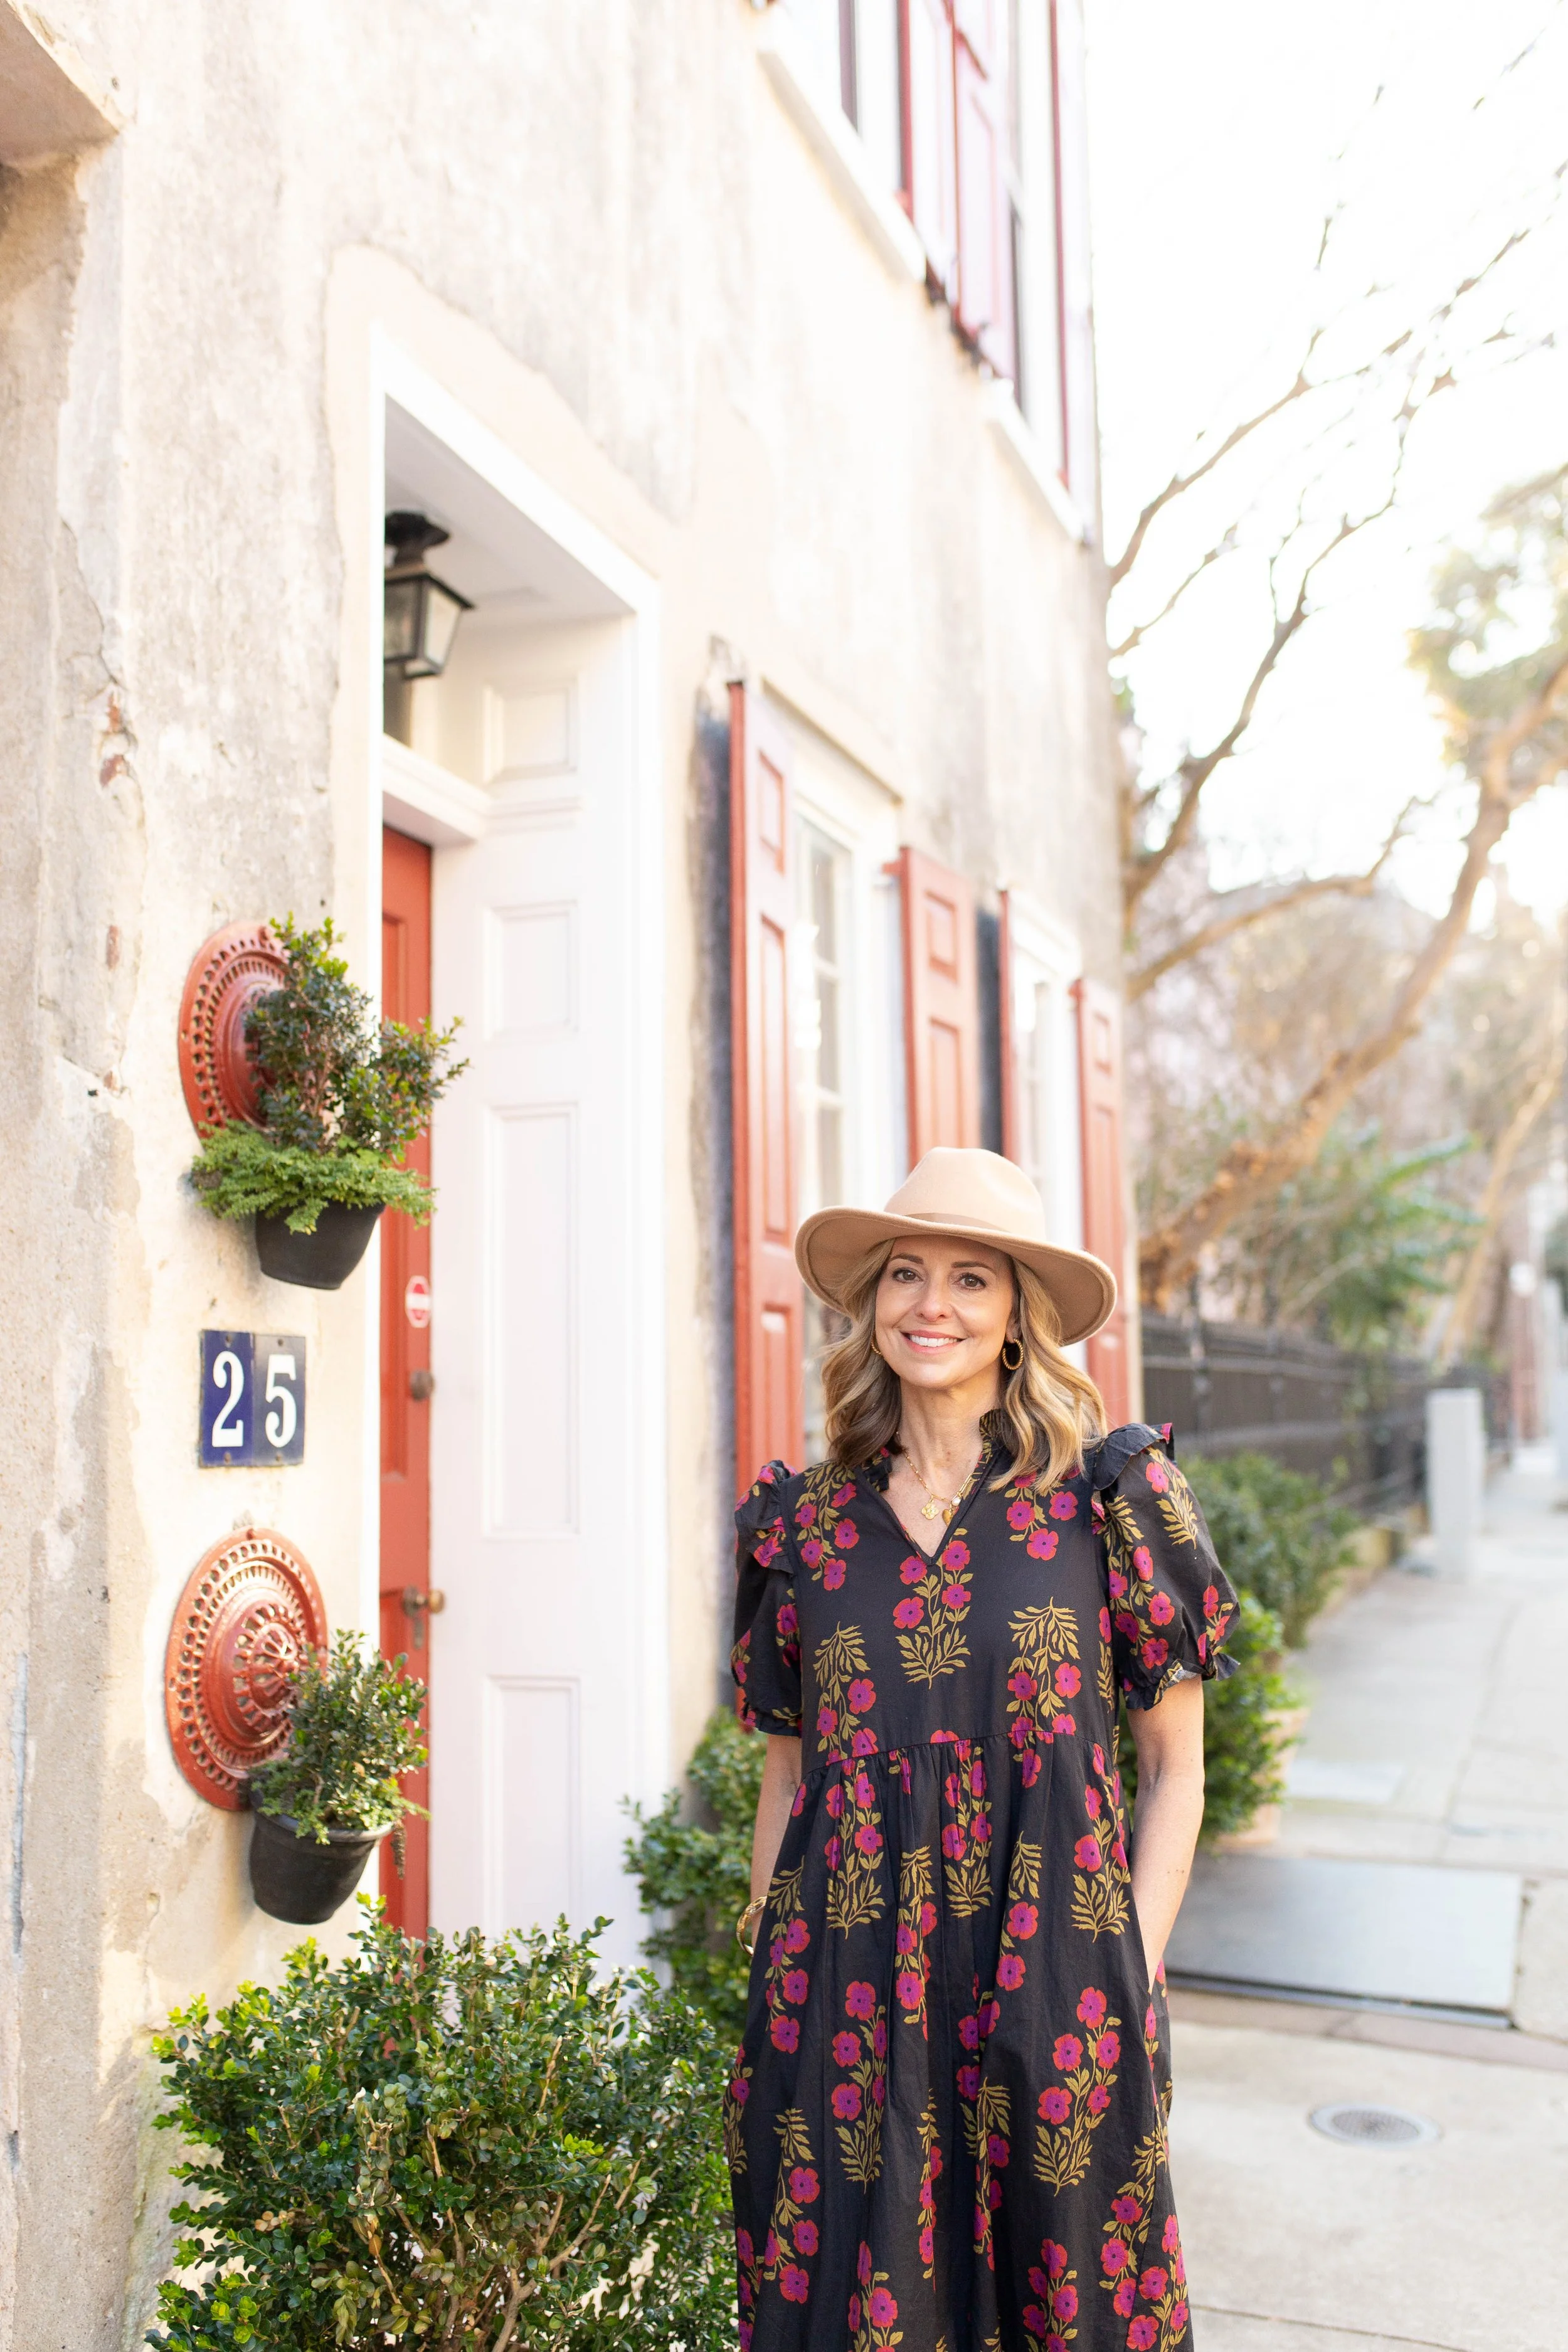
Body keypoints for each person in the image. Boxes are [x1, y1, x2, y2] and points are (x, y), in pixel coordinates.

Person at [726, 1147, 1237, 2352]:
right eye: (906, 1272)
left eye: (971, 1278)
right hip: (843, 2000)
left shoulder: (1108, 1498)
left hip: (1057, 1986)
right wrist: (769, 1968)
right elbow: (789, 1772)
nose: (932, 1304)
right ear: (872, 1302)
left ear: (1018, 1316)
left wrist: (1127, 1971)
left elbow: (1175, 1768)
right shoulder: (803, 1524)